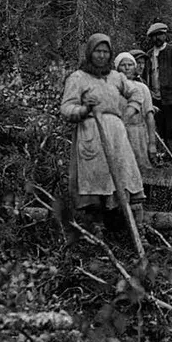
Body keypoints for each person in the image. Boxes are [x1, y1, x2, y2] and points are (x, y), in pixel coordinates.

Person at [60, 34, 146, 224]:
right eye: (97, 51)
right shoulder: (78, 78)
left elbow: (136, 93)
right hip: (91, 132)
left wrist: (127, 114)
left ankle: (131, 225)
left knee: (123, 175)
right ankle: (96, 227)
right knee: (95, 181)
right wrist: (84, 109)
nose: (101, 56)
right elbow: (66, 108)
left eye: (105, 52)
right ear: (90, 53)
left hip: (117, 135)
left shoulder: (116, 77)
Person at [142, 22, 172, 164]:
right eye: (154, 36)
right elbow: (145, 77)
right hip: (154, 99)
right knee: (160, 129)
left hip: (171, 100)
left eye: (160, 35)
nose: (157, 38)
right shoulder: (148, 55)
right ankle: (163, 155)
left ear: (165, 35)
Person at [114, 51, 157, 170]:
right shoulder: (112, 88)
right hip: (119, 134)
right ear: (117, 68)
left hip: (139, 134)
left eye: (130, 64)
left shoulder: (142, 88)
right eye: (123, 65)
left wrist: (152, 143)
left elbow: (149, 116)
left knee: (141, 168)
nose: (127, 68)